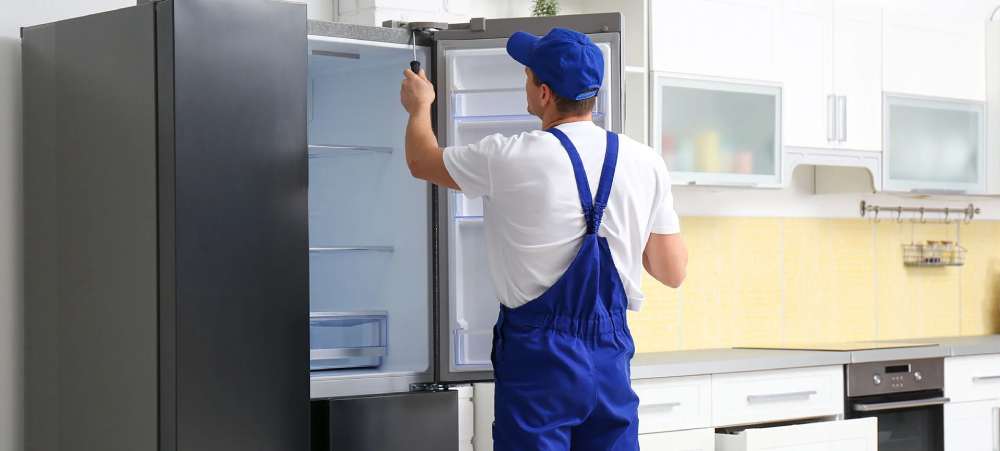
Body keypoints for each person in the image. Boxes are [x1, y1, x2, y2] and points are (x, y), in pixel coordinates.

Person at [400, 27, 688, 451]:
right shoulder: (646, 162)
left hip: (539, 356)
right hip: (609, 354)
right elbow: (672, 271)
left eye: (528, 75)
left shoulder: (508, 155)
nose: (525, 81)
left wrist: (419, 106)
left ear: (545, 93)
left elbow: (422, 161)